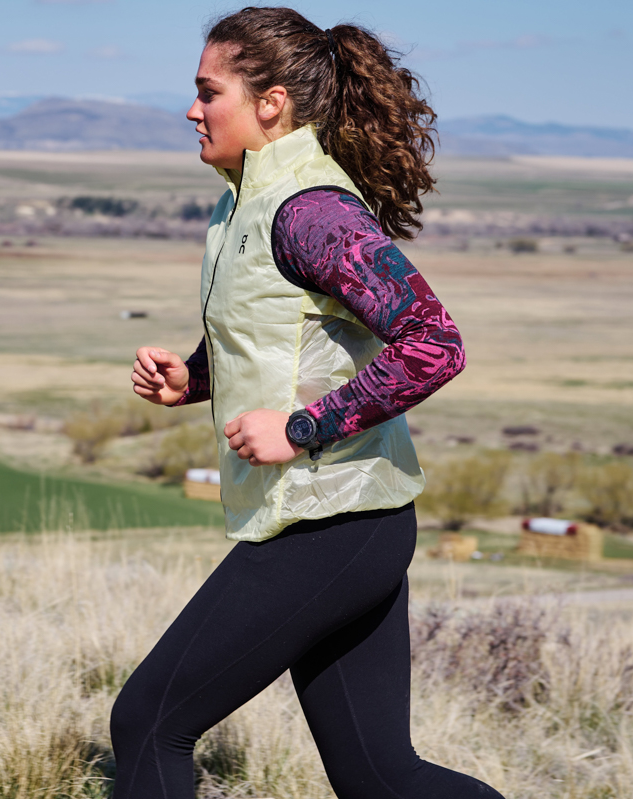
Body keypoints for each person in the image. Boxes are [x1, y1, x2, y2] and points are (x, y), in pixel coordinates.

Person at [111, 8, 505, 799]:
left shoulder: (309, 210)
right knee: (379, 776)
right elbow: (280, 336)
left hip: (336, 524)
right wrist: (194, 377)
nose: (191, 109)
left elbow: (434, 342)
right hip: (336, 521)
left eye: (206, 91)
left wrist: (301, 428)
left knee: (149, 721)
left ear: (271, 102)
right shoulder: (242, 204)